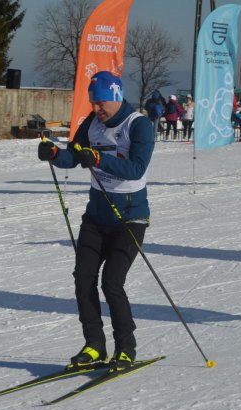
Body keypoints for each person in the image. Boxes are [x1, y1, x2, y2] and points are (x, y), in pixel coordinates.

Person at [37, 71, 155, 370]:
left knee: (112, 282)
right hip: (96, 217)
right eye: (93, 103)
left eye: (101, 103)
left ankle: (126, 349)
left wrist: (99, 159)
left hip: (130, 218)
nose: (96, 109)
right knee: (83, 279)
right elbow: (74, 156)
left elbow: (136, 169)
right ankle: (94, 346)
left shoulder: (138, 125)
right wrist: (53, 154)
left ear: (116, 97)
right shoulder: (91, 123)